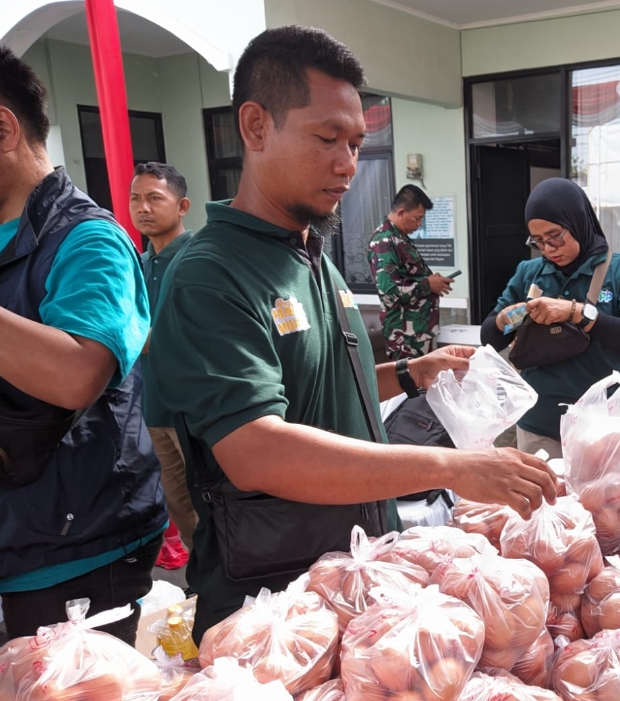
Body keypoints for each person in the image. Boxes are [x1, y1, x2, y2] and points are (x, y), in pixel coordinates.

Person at [147, 26, 556, 642]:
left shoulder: (312, 255)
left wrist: (414, 372)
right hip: (275, 607)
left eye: (358, 143)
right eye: (326, 138)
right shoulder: (211, 274)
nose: (347, 165)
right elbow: (255, 448)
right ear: (255, 127)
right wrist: (452, 467)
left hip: (356, 578)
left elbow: (320, 388)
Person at [0, 36, 165, 644]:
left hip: (77, 546)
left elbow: (77, 374)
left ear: (3, 127)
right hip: (11, 533)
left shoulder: (88, 239)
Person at [480, 178, 620, 458]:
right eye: (538, 241)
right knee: (544, 488)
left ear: (578, 222)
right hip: (540, 427)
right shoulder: (529, 272)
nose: (549, 248)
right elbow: (489, 338)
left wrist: (574, 312)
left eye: (555, 236)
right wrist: (506, 318)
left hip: (609, 426)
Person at [130, 161, 198, 553]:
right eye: (135, 198)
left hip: (194, 411)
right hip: (153, 408)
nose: (143, 208)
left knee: (212, 501)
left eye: (155, 198)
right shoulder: (138, 265)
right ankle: (202, 574)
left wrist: (127, 337)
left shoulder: (198, 259)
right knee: (179, 506)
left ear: (182, 206)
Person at [368, 184, 452, 360]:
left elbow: (410, 276)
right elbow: (389, 293)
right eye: (417, 218)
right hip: (404, 338)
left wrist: (431, 280)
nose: (419, 224)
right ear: (401, 213)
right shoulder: (384, 241)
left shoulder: (400, 238)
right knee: (409, 378)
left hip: (419, 332)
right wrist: (428, 285)